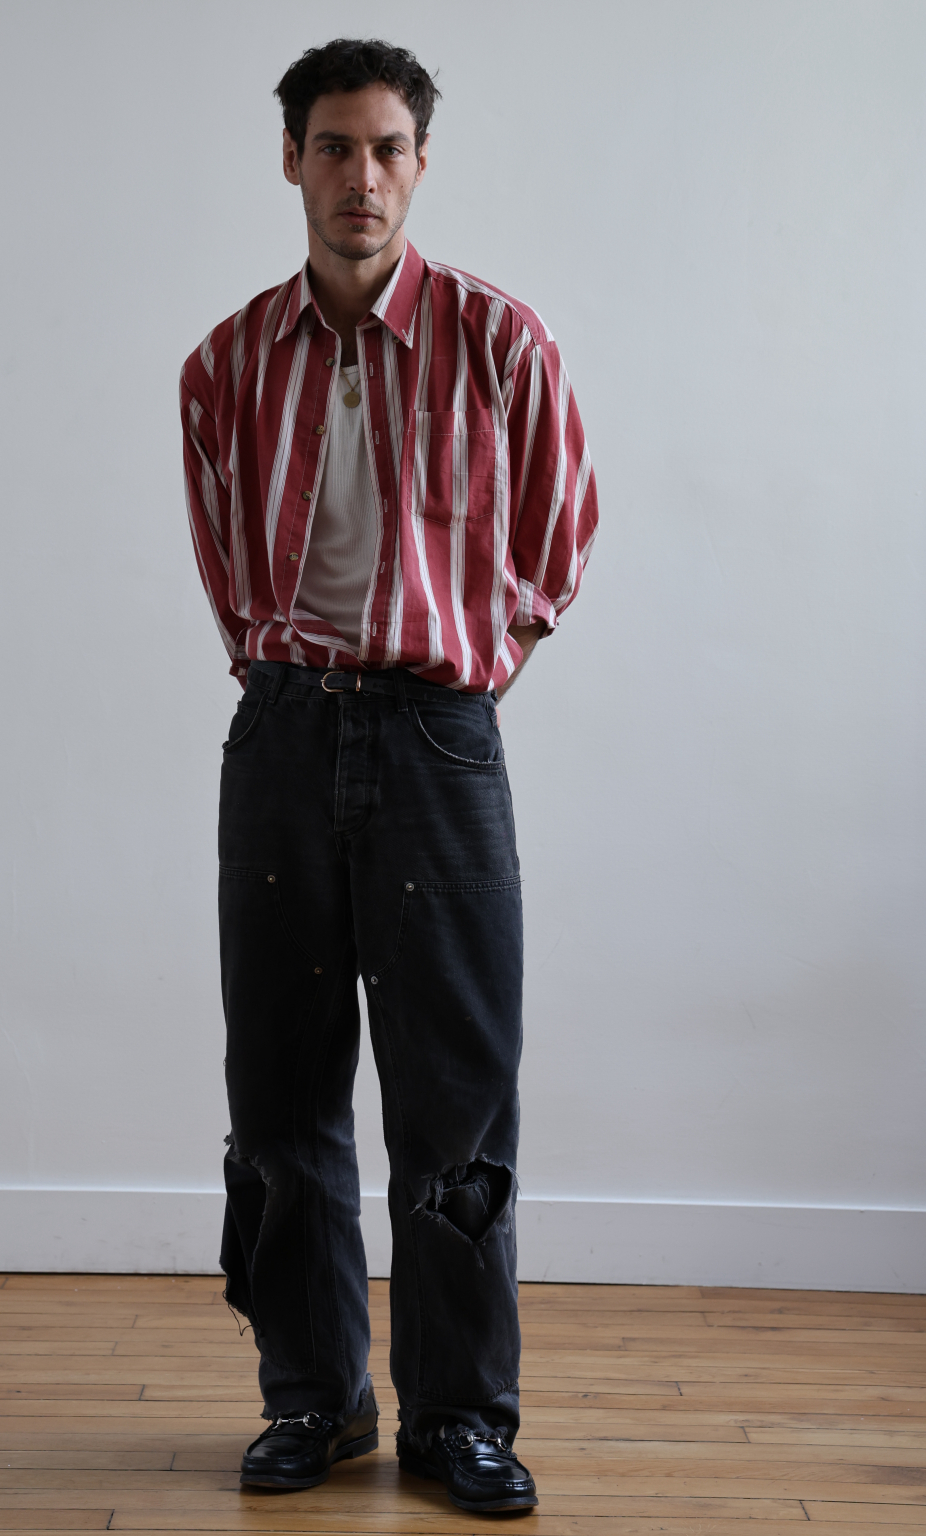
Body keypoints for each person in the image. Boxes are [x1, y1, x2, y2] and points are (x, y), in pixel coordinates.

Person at [180, 37, 598, 1516]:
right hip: (284, 735)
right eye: (334, 147)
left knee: (456, 1099)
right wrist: (290, 681)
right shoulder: (226, 362)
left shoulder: (501, 341)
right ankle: (315, 1401)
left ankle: (461, 1420)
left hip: (439, 738)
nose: (361, 176)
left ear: (420, 162)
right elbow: (226, 558)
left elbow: (560, 531)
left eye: (387, 148)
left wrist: (472, 670)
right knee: (279, 1093)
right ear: (292, 160)